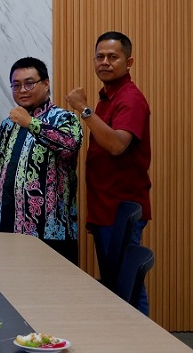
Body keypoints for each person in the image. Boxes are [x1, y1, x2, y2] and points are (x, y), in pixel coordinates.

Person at [66, 31, 151, 314]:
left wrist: (83, 109)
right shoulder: (107, 97)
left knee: (128, 288)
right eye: (100, 56)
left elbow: (116, 145)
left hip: (121, 209)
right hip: (104, 207)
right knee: (116, 287)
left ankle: (142, 338)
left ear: (129, 62)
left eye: (113, 57)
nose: (105, 62)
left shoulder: (130, 98)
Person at [0, 57, 82, 263]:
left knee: (51, 282)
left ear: (46, 83)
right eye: (16, 85)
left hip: (51, 228)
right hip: (9, 224)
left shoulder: (65, 118)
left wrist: (32, 123)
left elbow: (70, 146)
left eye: (29, 83)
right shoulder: (8, 124)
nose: (22, 90)